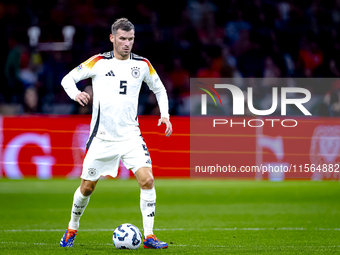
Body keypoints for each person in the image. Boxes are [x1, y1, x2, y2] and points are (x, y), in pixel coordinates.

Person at [60, 18, 172, 249]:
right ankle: (72, 227)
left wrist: (165, 114)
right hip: (101, 138)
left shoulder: (142, 65)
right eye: (122, 39)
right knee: (87, 187)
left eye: (130, 39)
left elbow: (159, 88)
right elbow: (67, 79)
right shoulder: (98, 62)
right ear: (112, 38)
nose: (127, 44)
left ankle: (149, 236)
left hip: (131, 136)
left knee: (147, 180)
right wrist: (76, 94)